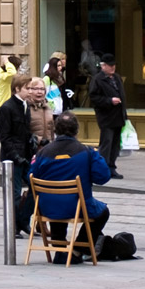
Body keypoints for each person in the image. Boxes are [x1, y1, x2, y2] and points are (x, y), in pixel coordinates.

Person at [30, 112, 112, 261]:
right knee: (103, 212)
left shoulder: (42, 153)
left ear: (55, 130)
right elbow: (103, 177)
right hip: (77, 206)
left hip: (46, 208)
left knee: (57, 201)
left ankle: (60, 250)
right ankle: (78, 250)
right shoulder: (87, 152)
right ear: (77, 130)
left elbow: (31, 177)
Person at [0, 73, 35, 241]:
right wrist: (15, 156)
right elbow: (5, 137)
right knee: (15, 194)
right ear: (17, 89)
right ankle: (14, 226)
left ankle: (23, 220)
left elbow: (25, 131)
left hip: (25, 155)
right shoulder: (7, 108)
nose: (30, 91)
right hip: (13, 157)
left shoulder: (25, 105)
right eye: (27, 88)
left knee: (35, 188)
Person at [88, 53, 127, 179]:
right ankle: (102, 168)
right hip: (106, 116)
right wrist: (109, 101)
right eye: (110, 65)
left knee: (115, 144)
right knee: (107, 143)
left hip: (118, 116)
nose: (112, 67)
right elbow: (94, 98)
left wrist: (124, 114)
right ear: (103, 66)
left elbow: (122, 96)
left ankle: (111, 167)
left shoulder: (116, 78)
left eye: (114, 65)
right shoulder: (98, 79)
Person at [27, 78, 55, 150]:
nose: (40, 92)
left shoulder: (48, 107)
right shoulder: (25, 108)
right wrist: (40, 141)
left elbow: (51, 130)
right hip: (31, 150)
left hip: (48, 150)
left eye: (42, 89)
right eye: (36, 89)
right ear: (29, 90)